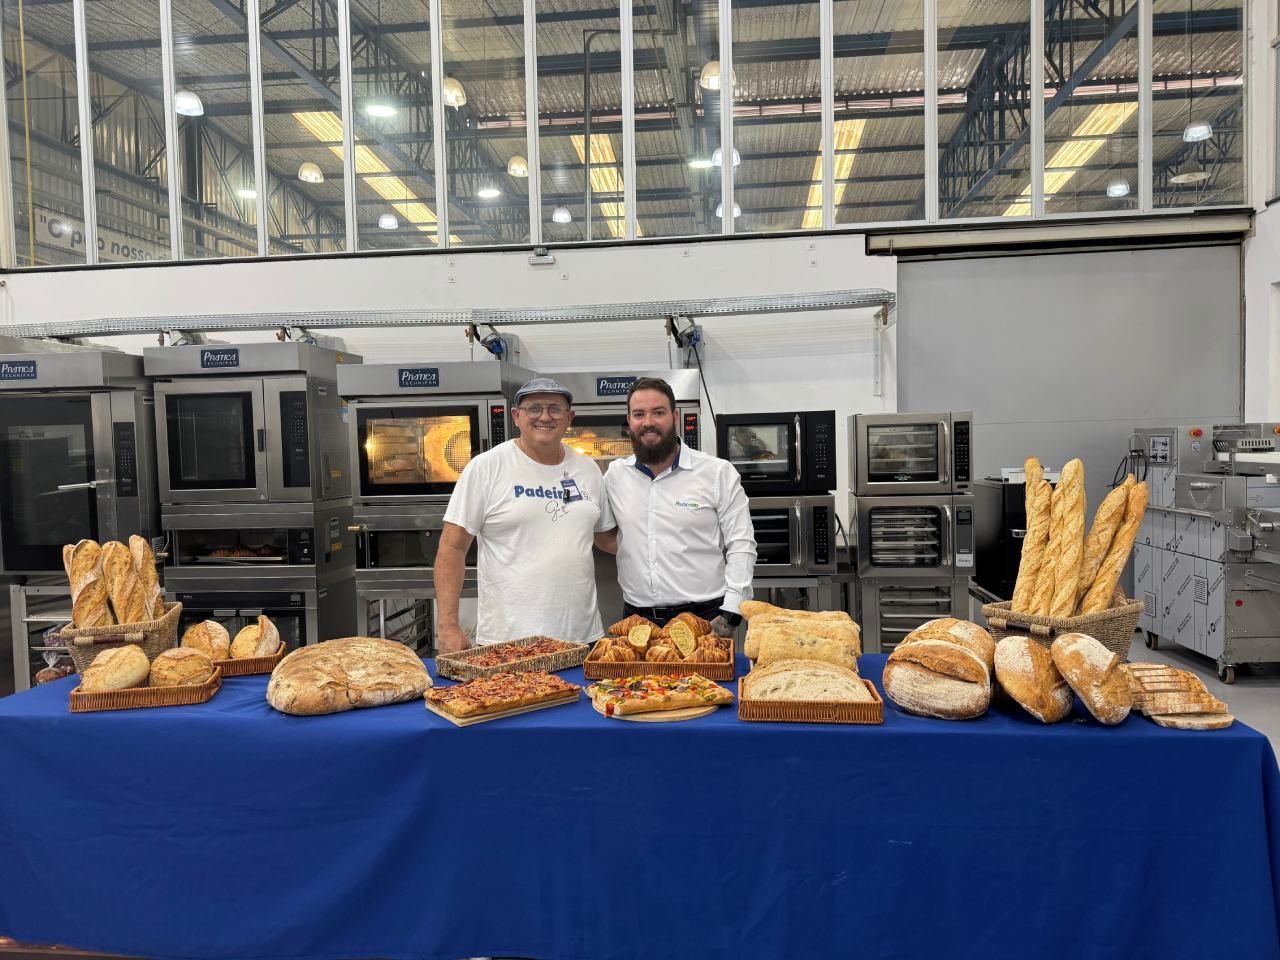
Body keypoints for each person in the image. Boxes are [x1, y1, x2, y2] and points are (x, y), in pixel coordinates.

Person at [434, 377, 616, 653]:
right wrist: (447, 627)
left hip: (581, 638)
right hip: (507, 642)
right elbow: (452, 547)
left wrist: (663, 539)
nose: (545, 416)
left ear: (570, 418)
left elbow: (605, 538)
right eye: (534, 408)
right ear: (516, 417)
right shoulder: (486, 467)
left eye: (555, 409)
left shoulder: (588, 469)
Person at [596, 377, 756, 637]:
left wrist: (731, 611)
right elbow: (604, 535)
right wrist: (642, 549)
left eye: (658, 412)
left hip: (704, 618)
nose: (648, 422)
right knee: (633, 681)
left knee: (704, 680)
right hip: (636, 621)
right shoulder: (615, 475)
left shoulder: (716, 473)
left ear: (675, 415)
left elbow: (741, 543)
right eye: (639, 414)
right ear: (629, 420)